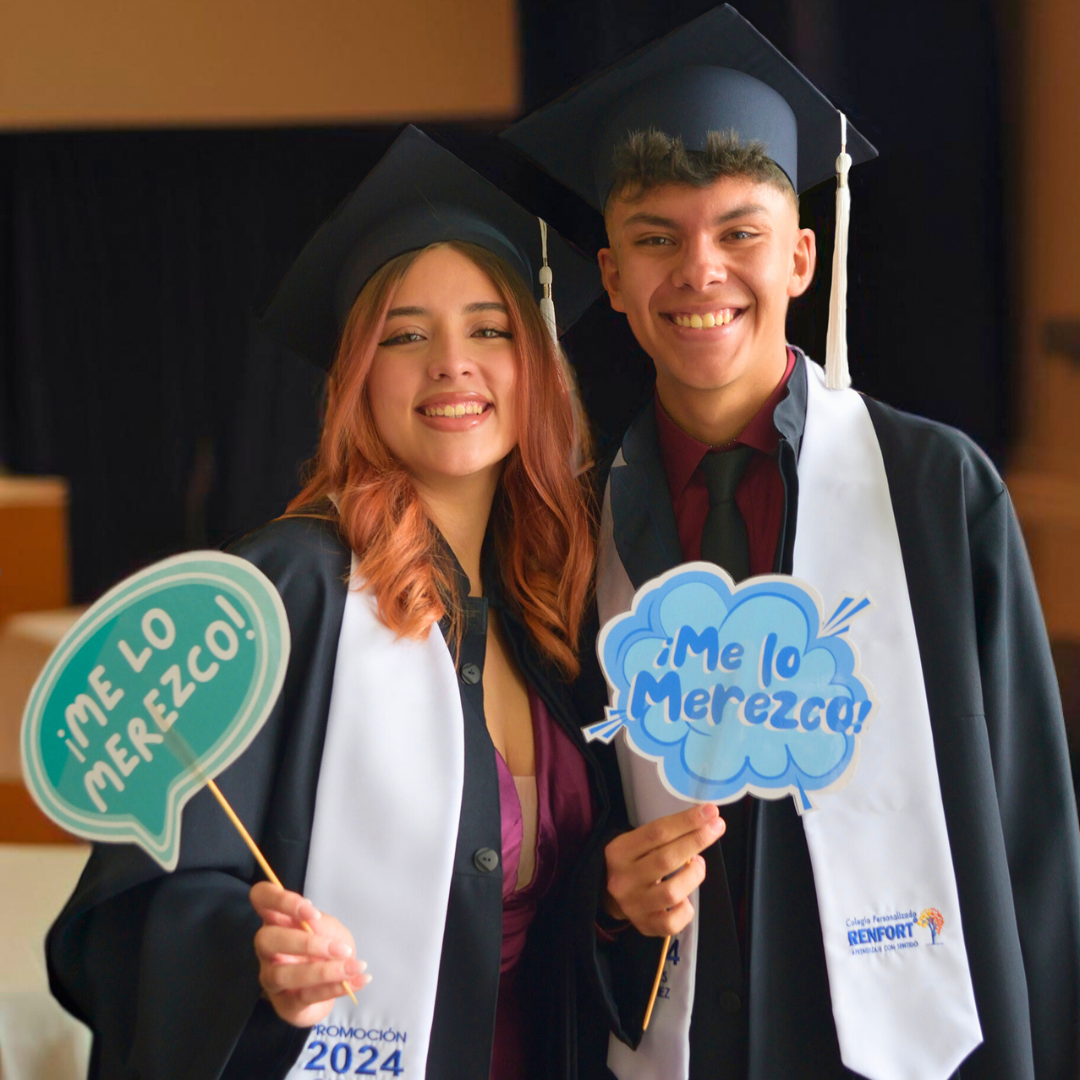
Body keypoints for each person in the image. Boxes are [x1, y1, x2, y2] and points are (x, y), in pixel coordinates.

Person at [503, 6, 1080, 1080]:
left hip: (917, 1040)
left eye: (740, 232)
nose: (700, 271)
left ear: (803, 256)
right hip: (685, 1043)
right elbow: (545, 836)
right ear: (613, 277)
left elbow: (1032, 834)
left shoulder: (935, 492)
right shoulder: (568, 531)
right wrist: (608, 905)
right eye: (656, 239)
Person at [46, 125, 617, 1080]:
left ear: (537, 365)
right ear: (358, 377)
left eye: (489, 328)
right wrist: (250, 961)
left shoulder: (548, 606)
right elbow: (141, 899)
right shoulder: (288, 589)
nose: (452, 364)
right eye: (406, 335)